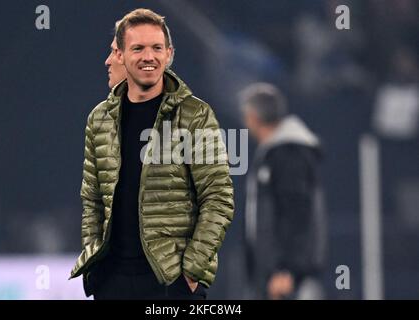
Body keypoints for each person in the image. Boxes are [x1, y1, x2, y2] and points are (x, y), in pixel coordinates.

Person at [69, 8, 234, 300]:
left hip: (171, 285)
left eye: (157, 48)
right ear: (119, 54)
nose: (149, 57)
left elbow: (218, 197)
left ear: (169, 54)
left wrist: (192, 270)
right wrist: (94, 260)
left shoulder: (194, 114)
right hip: (112, 282)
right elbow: (92, 199)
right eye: (138, 48)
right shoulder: (99, 119)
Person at [241, 83, 326, 300]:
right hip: (274, 274)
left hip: (286, 278)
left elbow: (297, 213)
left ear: (252, 116)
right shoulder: (276, 151)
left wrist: (286, 269)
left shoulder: (289, 153)